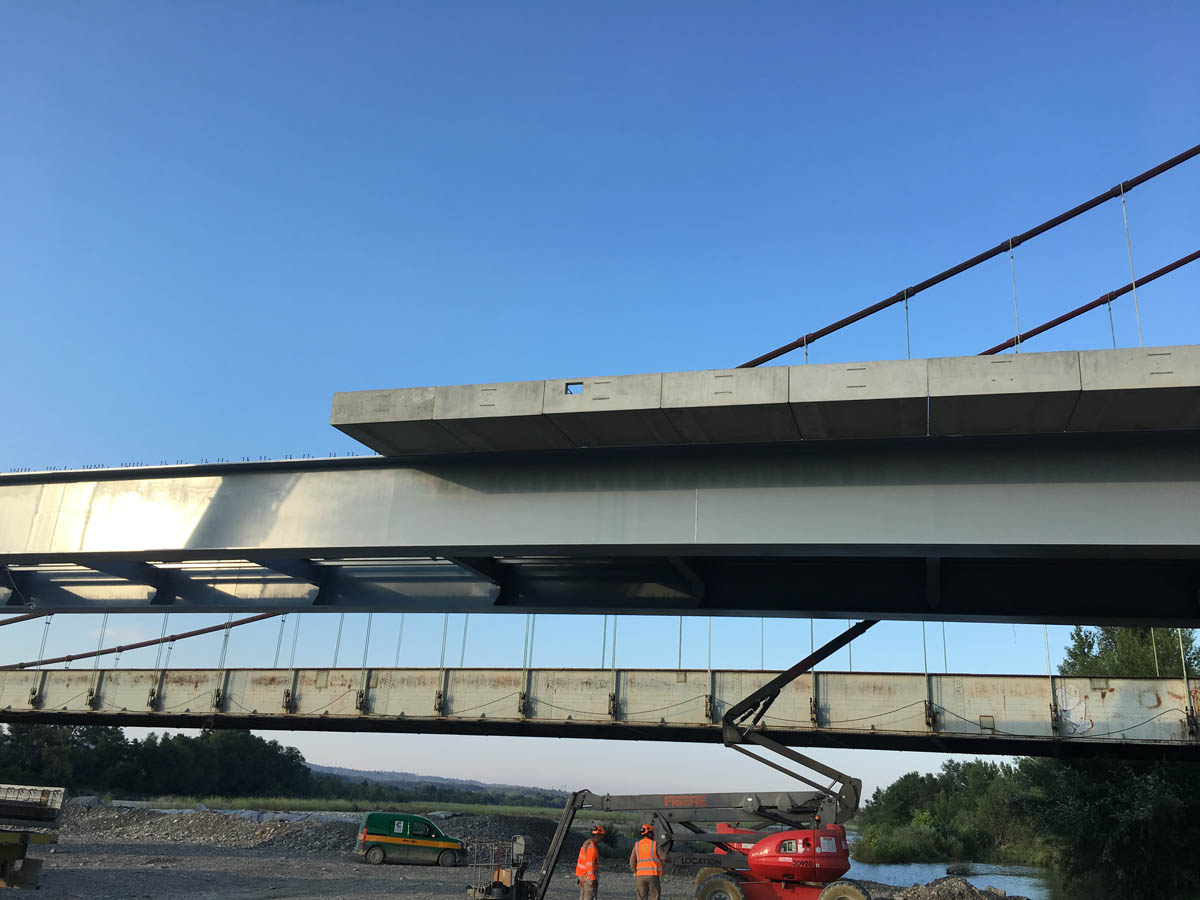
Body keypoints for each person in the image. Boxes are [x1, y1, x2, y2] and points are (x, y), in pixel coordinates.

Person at [628, 823, 663, 900]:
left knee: (641, 898)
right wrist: (668, 858)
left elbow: (632, 860)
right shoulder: (654, 844)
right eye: (652, 832)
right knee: (654, 897)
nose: (653, 834)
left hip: (640, 876)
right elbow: (663, 857)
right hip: (653, 875)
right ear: (649, 834)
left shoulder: (637, 845)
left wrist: (634, 872)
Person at [576, 825, 605, 900]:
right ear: (598, 835)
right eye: (602, 836)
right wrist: (592, 879)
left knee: (582, 896)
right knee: (588, 896)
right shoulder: (592, 848)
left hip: (582, 875)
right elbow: (590, 865)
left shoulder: (586, 843)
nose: (602, 838)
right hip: (587, 877)